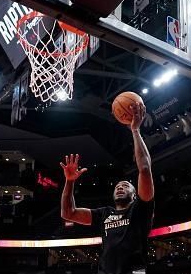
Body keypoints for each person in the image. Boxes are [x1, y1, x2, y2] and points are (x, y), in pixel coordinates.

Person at [61, 102, 154, 274]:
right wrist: (69, 181)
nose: (120, 187)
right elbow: (68, 213)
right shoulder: (104, 213)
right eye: (118, 186)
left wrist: (135, 130)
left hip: (134, 271)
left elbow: (145, 169)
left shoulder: (141, 209)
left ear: (135, 195)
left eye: (126, 186)